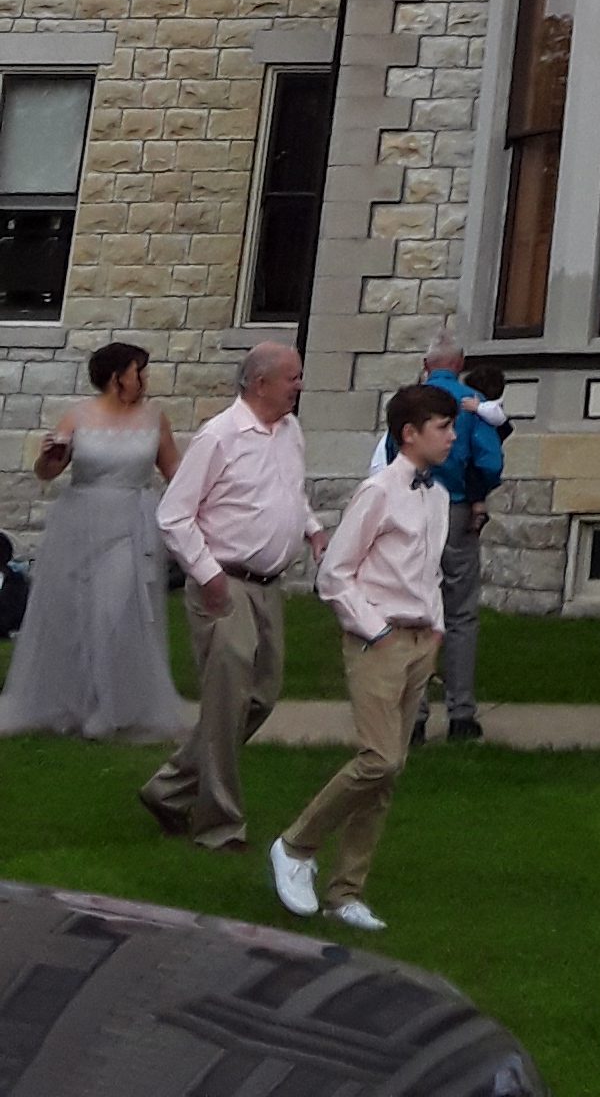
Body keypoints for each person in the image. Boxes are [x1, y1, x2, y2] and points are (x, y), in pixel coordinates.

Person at [269, 384, 458, 934]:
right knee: (379, 759)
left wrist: (437, 627)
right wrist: (375, 630)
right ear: (410, 433)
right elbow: (335, 574)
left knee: (387, 776)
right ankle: (295, 845)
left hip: (420, 642)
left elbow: (429, 572)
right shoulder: (378, 492)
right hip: (379, 640)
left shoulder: (437, 496)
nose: (452, 436)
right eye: (443, 427)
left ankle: (346, 893)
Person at [141, 343, 328, 851]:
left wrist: (311, 528)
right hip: (223, 585)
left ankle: (168, 789)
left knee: (261, 697)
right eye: (292, 377)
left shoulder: (289, 431)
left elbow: (288, 493)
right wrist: (207, 575)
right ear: (259, 383)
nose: (299, 386)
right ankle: (219, 826)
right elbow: (174, 514)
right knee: (227, 704)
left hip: (268, 586)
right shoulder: (219, 436)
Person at [0, 339, 184, 740]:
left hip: (130, 524)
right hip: (81, 522)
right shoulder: (79, 416)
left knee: (113, 610)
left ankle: (110, 706)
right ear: (118, 377)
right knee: (77, 613)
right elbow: (48, 471)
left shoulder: (154, 419)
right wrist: (49, 456)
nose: (145, 379)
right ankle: (75, 701)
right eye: (139, 371)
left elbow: (176, 472)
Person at [369, 337, 509, 748]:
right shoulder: (472, 405)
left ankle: (414, 716)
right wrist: (478, 494)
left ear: (425, 363)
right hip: (458, 510)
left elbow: (392, 456)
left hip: (413, 506)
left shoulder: (409, 405)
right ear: (460, 363)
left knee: (415, 611)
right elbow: (490, 461)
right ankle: (461, 714)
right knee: (460, 613)